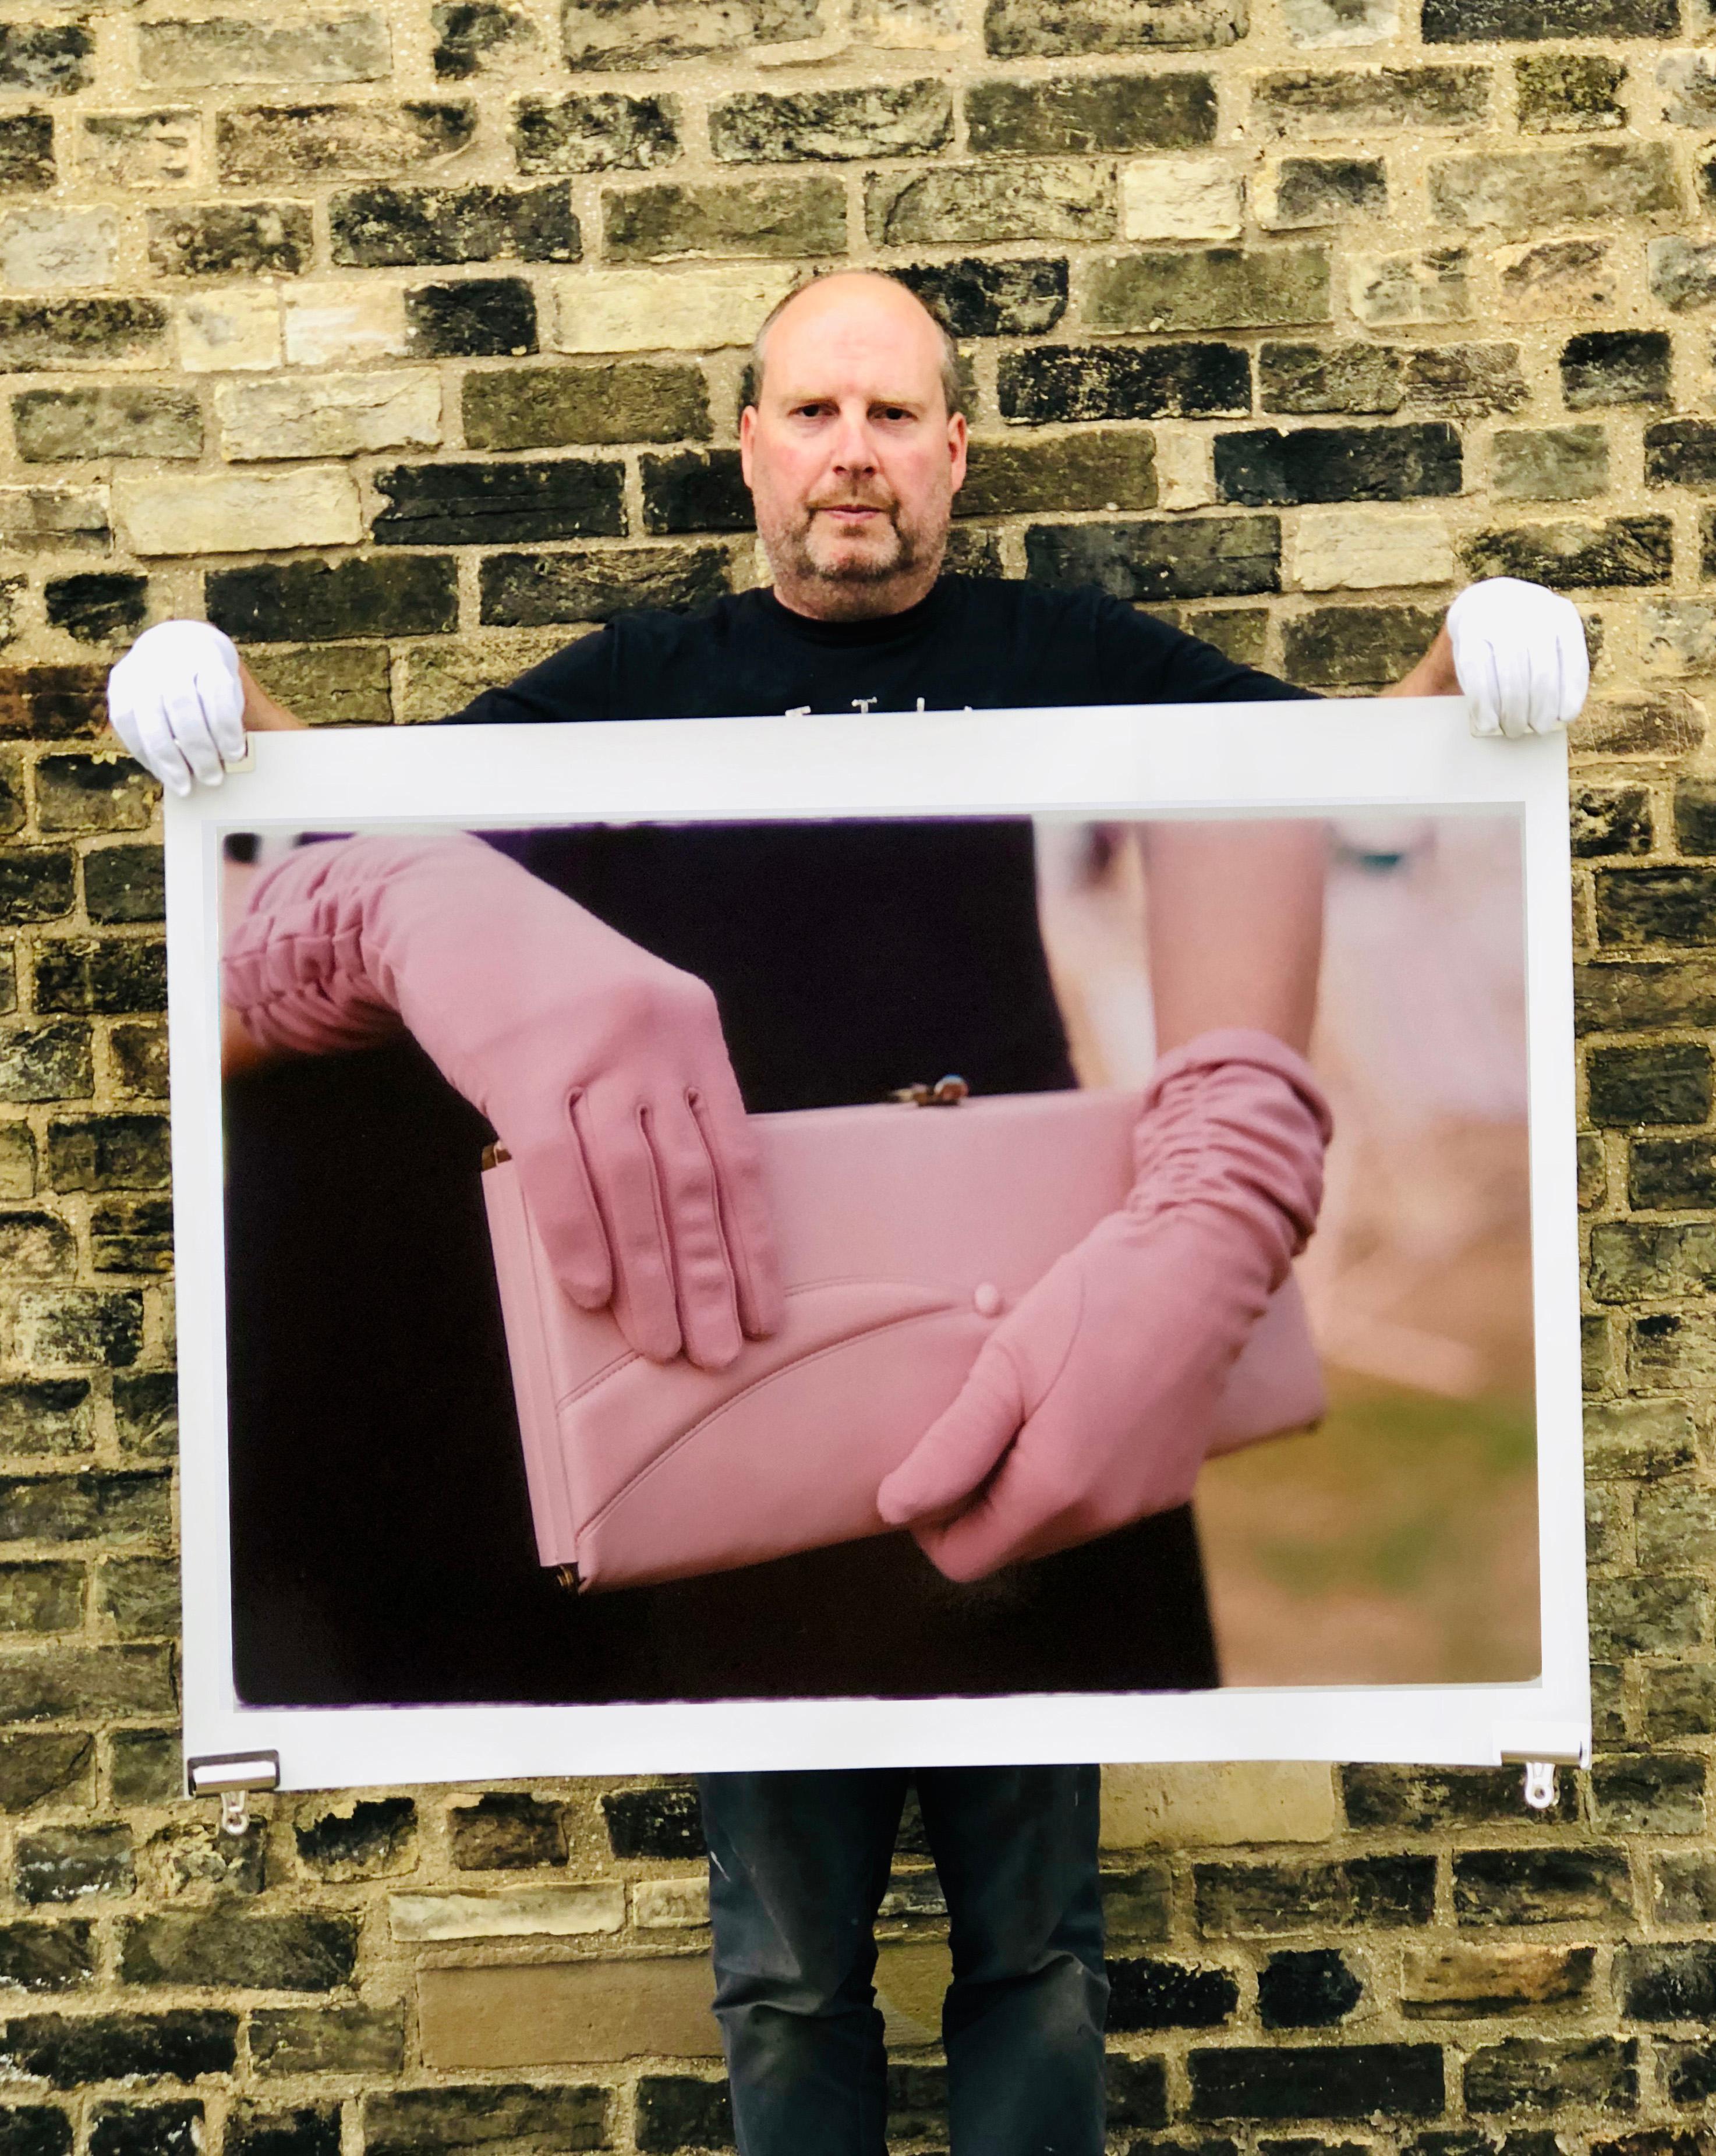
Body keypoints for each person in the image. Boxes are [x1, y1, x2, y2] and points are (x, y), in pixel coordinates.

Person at [111, 271, 1588, 2156]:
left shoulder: (1070, 645)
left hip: (1072, 1338)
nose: (853, 454)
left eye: (893, 415)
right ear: (748, 448)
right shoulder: (631, 687)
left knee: (1040, 1950)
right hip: (717, 1387)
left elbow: (1307, 779)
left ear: (955, 451)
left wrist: (1465, 683)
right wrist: (247, 750)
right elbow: (332, 858)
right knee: (787, 1970)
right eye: (814, 413)